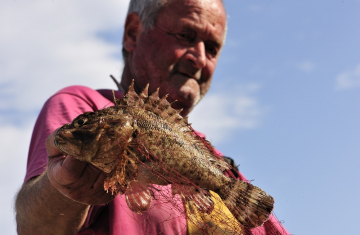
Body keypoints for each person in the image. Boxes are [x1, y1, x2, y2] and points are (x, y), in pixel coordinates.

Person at [15, 0, 289, 234]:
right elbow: (36, 226)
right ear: (133, 33)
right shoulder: (84, 106)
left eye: (213, 49)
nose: (200, 58)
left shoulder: (221, 166)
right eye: (185, 35)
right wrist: (60, 190)